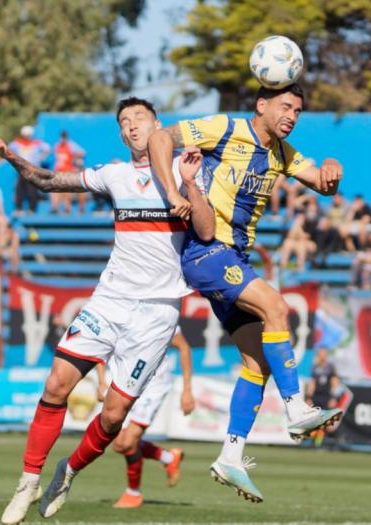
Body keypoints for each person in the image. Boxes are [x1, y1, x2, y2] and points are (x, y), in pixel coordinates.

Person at [0, 96, 213, 523]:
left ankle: (68, 470)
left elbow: (208, 230)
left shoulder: (186, 168)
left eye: (140, 117)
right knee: (55, 386)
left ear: (159, 125)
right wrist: (8, 153)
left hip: (157, 312)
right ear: (121, 134)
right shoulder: (113, 174)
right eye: (125, 121)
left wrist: (191, 190)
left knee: (115, 416)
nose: (133, 125)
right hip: (109, 299)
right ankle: (28, 481)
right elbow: (46, 181)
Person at [147, 83, 343, 503]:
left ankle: (230, 456)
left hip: (233, 256)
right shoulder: (224, 127)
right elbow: (161, 137)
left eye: (298, 111)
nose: (292, 115)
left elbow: (323, 185)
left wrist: (330, 166)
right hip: (206, 250)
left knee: (257, 361)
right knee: (277, 306)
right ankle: (296, 409)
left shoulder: (283, 155)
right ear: (261, 105)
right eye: (285, 106)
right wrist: (170, 191)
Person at [111, 330, 195, 509]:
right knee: (119, 444)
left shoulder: (161, 316)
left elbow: (184, 347)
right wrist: (101, 381)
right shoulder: (119, 311)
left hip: (152, 386)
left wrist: (187, 390)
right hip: (124, 382)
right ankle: (168, 458)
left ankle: (133, 493)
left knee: (129, 441)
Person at [10, 125, 51, 215]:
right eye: (26, 135)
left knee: (32, 189)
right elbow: (8, 149)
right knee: (19, 189)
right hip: (21, 169)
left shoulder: (36, 143)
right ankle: (19, 209)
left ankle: (32, 209)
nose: (27, 137)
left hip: (33, 169)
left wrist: (41, 158)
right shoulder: (18, 143)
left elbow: (48, 149)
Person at [305, 348, 340, 447]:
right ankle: (312, 441)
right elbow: (312, 383)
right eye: (321, 354)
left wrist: (333, 397)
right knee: (314, 419)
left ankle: (319, 442)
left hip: (326, 397)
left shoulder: (330, 367)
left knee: (325, 420)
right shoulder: (315, 367)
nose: (322, 356)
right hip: (316, 396)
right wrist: (309, 397)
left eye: (324, 354)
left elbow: (335, 383)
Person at [51, 131, 87, 215]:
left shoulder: (71, 145)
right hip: (58, 170)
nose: (63, 139)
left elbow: (82, 152)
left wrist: (74, 157)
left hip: (68, 170)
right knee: (56, 189)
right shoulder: (57, 145)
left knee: (67, 190)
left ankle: (68, 207)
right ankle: (55, 207)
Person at [279, 199, 318, 270]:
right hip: (296, 241)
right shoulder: (294, 220)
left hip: (309, 244)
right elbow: (289, 236)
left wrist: (299, 227)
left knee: (301, 245)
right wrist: (296, 225)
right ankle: (282, 268)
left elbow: (306, 237)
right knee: (287, 243)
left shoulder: (313, 221)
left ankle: (300, 269)